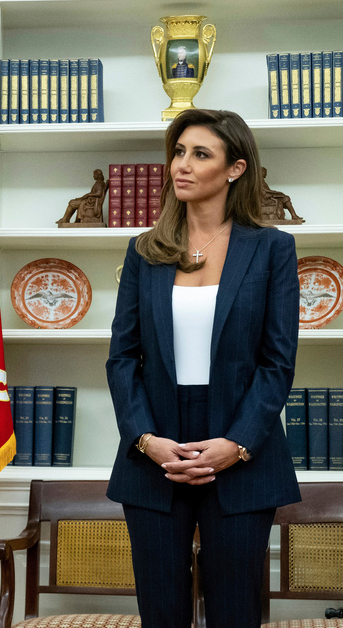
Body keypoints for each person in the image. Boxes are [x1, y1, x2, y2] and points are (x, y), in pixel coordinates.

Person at [106, 108, 300, 628]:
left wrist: (236, 445)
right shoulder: (145, 251)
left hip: (243, 450)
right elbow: (123, 357)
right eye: (178, 152)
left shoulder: (273, 249)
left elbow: (277, 363)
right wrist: (146, 439)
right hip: (154, 452)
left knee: (235, 613)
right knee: (161, 614)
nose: (180, 166)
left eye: (200, 154)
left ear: (235, 168)